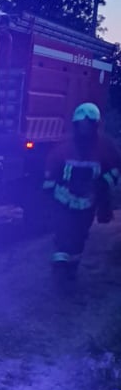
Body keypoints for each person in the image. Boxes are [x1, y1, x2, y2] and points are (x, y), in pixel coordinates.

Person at [43, 102, 120, 288]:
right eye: (81, 125)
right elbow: (51, 168)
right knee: (62, 235)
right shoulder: (65, 146)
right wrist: (47, 193)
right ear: (75, 125)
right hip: (63, 200)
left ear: (95, 125)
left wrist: (104, 184)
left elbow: (116, 168)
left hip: (87, 204)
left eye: (88, 125)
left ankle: (72, 268)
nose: (84, 129)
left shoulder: (105, 147)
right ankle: (60, 267)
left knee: (79, 237)